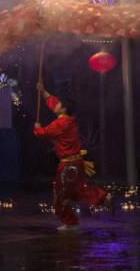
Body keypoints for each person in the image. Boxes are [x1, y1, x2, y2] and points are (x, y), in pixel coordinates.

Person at [34, 82, 112, 232]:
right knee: (75, 190)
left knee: (61, 194)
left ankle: (72, 221)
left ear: (63, 109)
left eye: (59, 104)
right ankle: (101, 197)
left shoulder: (61, 123)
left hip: (67, 166)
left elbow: (43, 133)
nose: (55, 105)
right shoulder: (69, 120)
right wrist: (43, 92)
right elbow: (54, 102)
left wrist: (37, 128)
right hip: (76, 163)